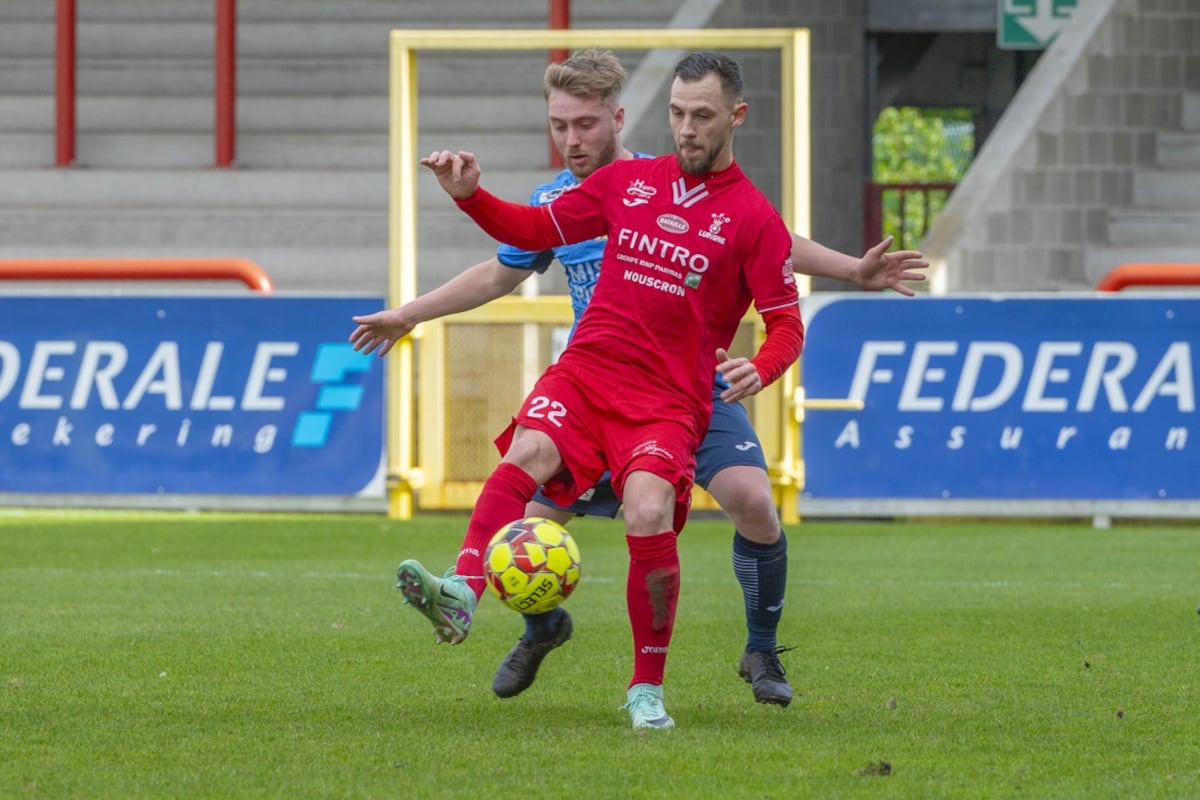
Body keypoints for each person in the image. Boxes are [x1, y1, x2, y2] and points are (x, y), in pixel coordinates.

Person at [350, 49, 928, 716]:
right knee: (528, 524)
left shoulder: (682, 185)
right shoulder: (584, 195)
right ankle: (527, 619)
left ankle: (755, 648)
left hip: (687, 390)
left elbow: (769, 242)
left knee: (750, 503)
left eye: (585, 124)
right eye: (559, 125)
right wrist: (413, 305)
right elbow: (500, 267)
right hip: (596, 383)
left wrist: (846, 274)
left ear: (618, 119)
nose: (572, 139)